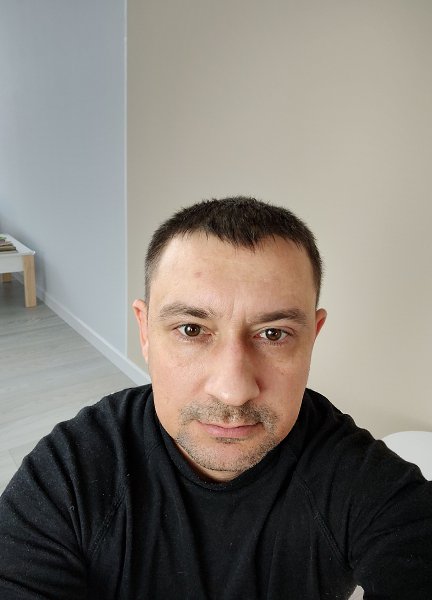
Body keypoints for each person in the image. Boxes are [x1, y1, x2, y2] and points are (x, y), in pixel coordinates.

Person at [0, 197, 431, 599]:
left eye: (273, 334)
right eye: (191, 329)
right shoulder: (68, 475)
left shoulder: (364, 483)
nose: (233, 389)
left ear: (312, 337)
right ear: (145, 332)